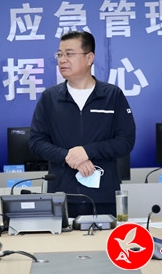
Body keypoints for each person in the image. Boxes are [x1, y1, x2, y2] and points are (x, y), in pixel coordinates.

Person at [29, 31, 136, 217]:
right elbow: (36, 142)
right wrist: (67, 156)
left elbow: (125, 141)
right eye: (59, 54)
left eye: (69, 54)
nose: (62, 60)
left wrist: (87, 152)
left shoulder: (112, 95)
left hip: (103, 196)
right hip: (61, 196)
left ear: (89, 58)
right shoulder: (50, 98)